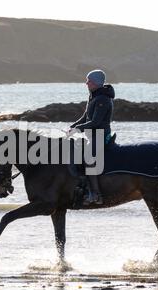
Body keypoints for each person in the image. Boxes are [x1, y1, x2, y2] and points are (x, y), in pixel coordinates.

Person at [68, 69, 115, 205]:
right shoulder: (94, 96)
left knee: (88, 158)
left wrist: (78, 129)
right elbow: (85, 118)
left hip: (100, 135)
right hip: (91, 135)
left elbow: (96, 122)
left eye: (89, 81)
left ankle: (95, 194)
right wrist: (72, 127)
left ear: (96, 83)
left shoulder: (103, 99)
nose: (86, 83)